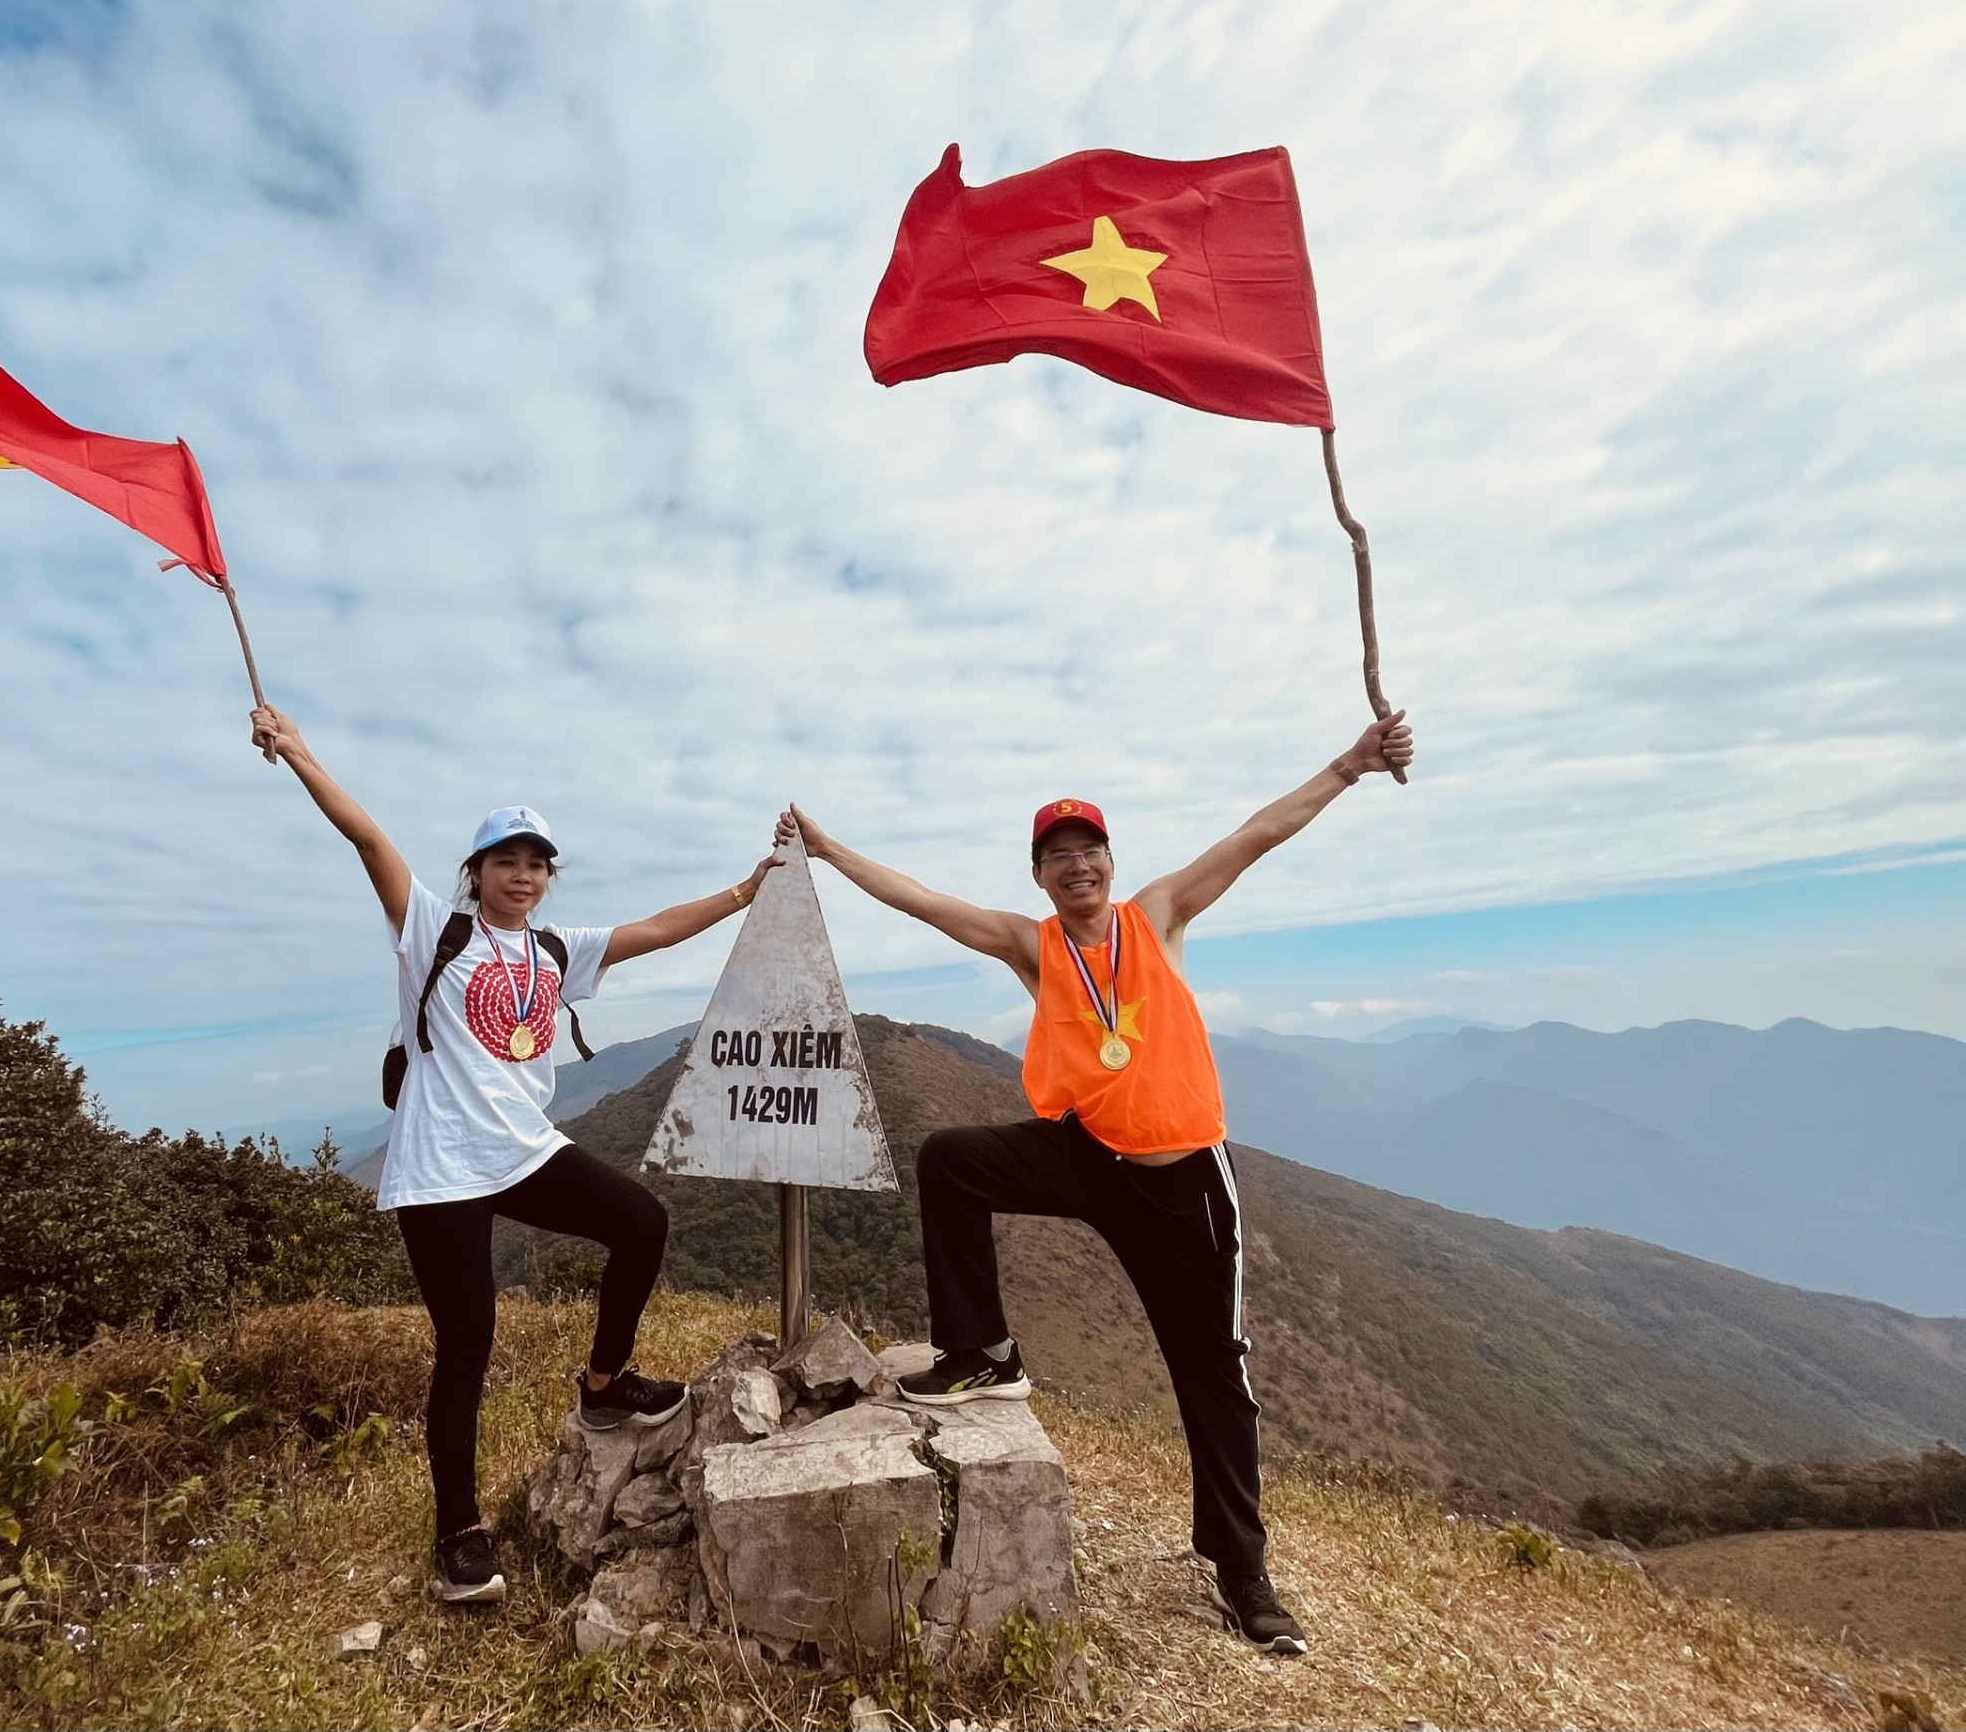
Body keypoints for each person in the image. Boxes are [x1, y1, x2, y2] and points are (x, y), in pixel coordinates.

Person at [776, 711, 1414, 1657]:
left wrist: (1351, 765)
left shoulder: (1156, 915)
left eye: (1090, 850)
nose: (1077, 866)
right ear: (1040, 874)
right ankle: (982, 1350)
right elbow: (919, 899)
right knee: (950, 1158)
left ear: (1111, 861)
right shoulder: (1030, 945)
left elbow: (1257, 835)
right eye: (1058, 855)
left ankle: (1242, 1570)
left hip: (1187, 1183)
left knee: (1218, 1381)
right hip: (1087, 1155)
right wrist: (828, 849)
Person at [250, 703, 776, 1606]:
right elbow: (370, 840)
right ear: (477, 871)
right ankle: (459, 1532)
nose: (523, 876)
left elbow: (652, 928)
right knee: (467, 1342)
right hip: (440, 1166)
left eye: (536, 864)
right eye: (507, 862)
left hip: (526, 1149)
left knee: (641, 1221)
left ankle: (604, 1384)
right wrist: (301, 754)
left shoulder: (554, 950)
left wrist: (743, 891)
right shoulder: (433, 934)